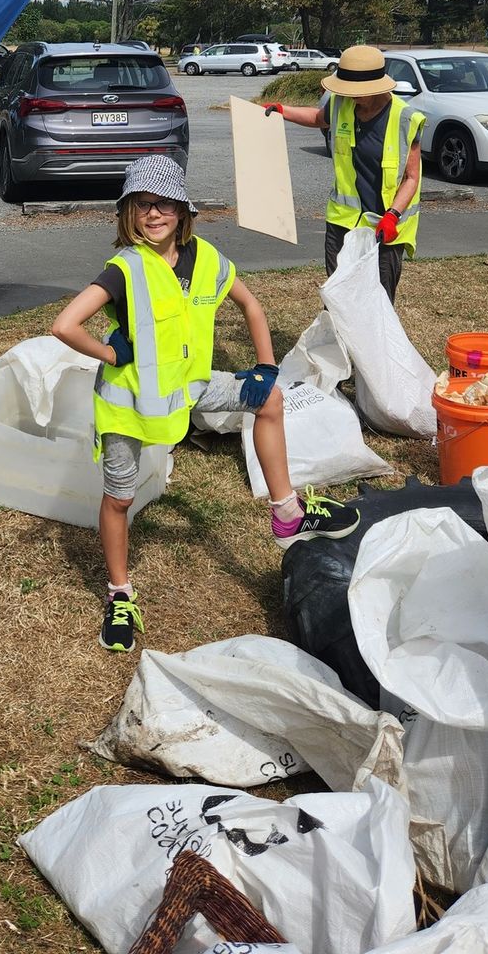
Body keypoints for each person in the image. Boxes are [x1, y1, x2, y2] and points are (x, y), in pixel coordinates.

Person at [51, 154, 360, 653]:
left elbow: (250, 304)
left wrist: (264, 366)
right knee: (120, 499)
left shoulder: (206, 259)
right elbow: (64, 325)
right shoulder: (123, 269)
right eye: (142, 205)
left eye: (164, 206)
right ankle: (120, 594)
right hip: (130, 406)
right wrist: (110, 351)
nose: (154, 215)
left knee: (271, 399)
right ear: (128, 213)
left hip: (190, 387)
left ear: (183, 212)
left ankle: (286, 513)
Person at [264, 44, 425, 304]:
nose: (352, 96)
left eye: (358, 92)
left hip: (385, 226)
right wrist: (284, 111)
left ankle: (372, 346)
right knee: (338, 295)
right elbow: (318, 118)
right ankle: (340, 343)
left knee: (378, 301)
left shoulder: (406, 118)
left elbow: (411, 177)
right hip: (343, 221)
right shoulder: (341, 104)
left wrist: (392, 216)